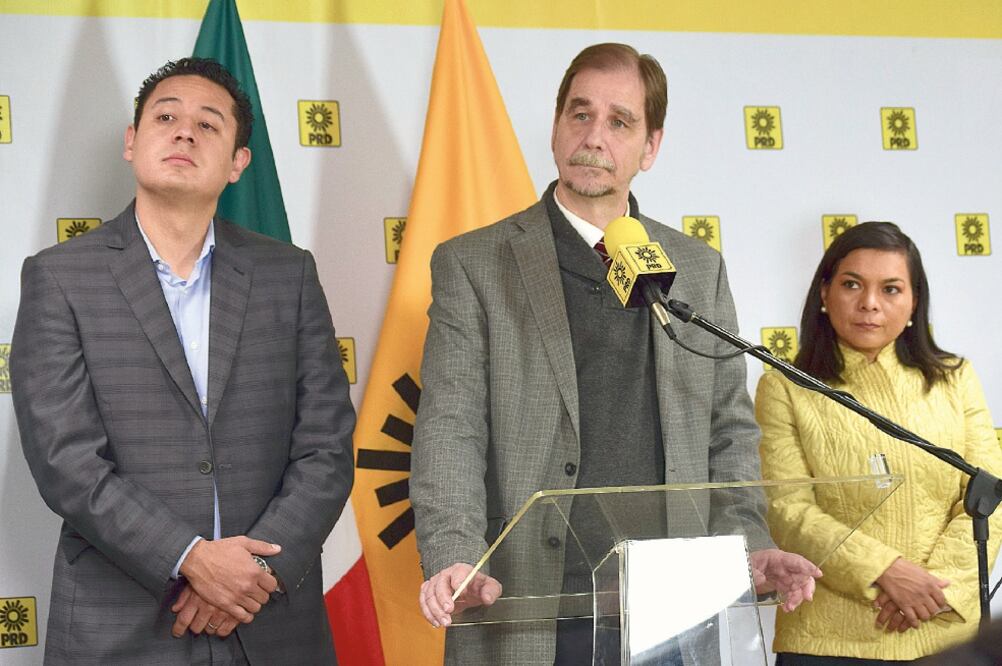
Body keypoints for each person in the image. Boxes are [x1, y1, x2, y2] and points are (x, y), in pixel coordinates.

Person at [411, 42, 821, 664]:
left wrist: (747, 545)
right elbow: (450, 428)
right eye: (580, 114)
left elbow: (728, 431)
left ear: (650, 147)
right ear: (555, 129)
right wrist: (454, 554)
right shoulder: (476, 264)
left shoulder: (695, 269)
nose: (594, 136)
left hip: (675, 609)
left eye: (619, 121)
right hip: (528, 602)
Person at [10, 58, 355, 664]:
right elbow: (66, 460)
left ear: (238, 162)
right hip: (121, 623)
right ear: (131, 141)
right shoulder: (60, 278)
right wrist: (191, 559)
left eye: (209, 124)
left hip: (268, 618)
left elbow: (326, 444)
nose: (184, 132)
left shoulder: (288, 273)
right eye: (165, 116)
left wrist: (245, 576)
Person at [755, 221, 1002, 664]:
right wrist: (884, 570)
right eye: (852, 285)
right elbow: (787, 509)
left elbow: (991, 494)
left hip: (945, 633)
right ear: (825, 295)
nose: (870, 304)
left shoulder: (955, 379)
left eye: (890, 289)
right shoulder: (785, 387)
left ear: (913, 304)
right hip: (827, 638)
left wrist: (934, 588)